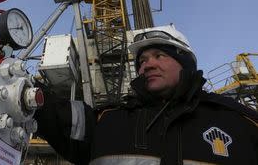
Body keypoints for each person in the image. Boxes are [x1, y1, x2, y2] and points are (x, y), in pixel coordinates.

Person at [34, 24, 258, 165]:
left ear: (185, 62)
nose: (147, 65)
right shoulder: (109, 120)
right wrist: (16, 82)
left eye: (159, 56)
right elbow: (53, 112)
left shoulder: (239, 122)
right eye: (142, 60)